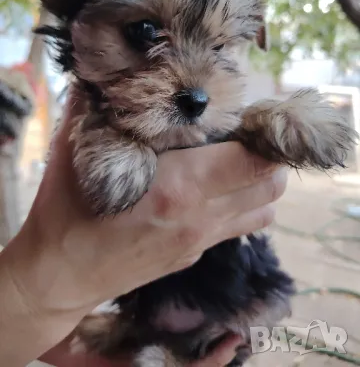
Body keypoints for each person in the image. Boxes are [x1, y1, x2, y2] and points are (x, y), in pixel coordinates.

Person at [0, 88, 287, 367]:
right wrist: (40, 290)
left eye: (219, 47)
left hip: (218, 297)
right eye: (145, 35)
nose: (195, 91)